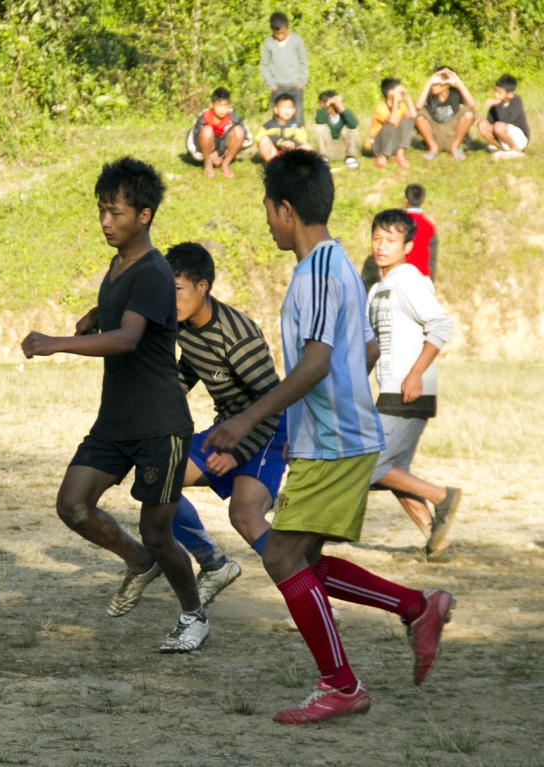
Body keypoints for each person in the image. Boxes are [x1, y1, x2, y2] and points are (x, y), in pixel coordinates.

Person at [205, 150, 454, 725]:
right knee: (303, 560)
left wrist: (248, 420)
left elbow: (317, 362)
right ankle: (417, 607)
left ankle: (341, 684)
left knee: (284, 555)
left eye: (268, 209)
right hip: (333, 437)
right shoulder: (339, 264)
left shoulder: (317, 271)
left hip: (337, 442)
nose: (267, 220)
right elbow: (361, 350)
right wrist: (312, 419)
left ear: (285, 209)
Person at [21, 157, 207, 653]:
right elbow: (118, 307)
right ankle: (137, 562)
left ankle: (193, 614)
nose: (106, 222)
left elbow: (127, 338)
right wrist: (90, 316)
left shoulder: (153, 270)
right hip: (116, 420)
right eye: (102, 211)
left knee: (159, 531)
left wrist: (58, 342)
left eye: (115, 213)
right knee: (73, 506)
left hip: (159, 424)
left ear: (143, 215)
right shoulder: (120, 263)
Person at [165, 242, 288, 606]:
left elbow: (275, 401)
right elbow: (187, 371)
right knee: (159, 476)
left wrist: (238, 453)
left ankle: (310, 596)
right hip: (227, 430)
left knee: (245, 516)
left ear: (202, 287)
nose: (168, 299)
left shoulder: (238, 338)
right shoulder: (184, 325)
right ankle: (214, 564)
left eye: (176, 290)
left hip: (268, 431)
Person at [366, 209, 461, 564]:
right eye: (377, 238)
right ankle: (436, 545)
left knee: (370, 466)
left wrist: (416, 373)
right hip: (388, 389)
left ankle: (442, 496)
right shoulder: (377, 288)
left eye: (390, 240)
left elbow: (441, 326)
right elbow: (370, 346)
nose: (381, 246)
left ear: (407, 245)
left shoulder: (409, 280)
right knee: (394, 474)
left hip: (410, 389)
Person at [415, 66, 476, 161]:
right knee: (418, 114)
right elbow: (418, 106)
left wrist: (458, 82)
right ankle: (433, 148)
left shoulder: (455, 93)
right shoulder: (429, 95)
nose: (433, 87)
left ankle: (454, 147)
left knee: (469, 113)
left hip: (452, 134)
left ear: (446, 85)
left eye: (436, 84)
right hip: (435, 133)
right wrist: (429, 83)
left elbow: (472, 104)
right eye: (433, 84)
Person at [260, 12, 308, 124]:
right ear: (272, 31)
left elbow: (303, 61)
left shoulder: (297, 40)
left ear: (288, 27)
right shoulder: (268, 43)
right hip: (278, 87)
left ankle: (300, 141)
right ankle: (278, 140)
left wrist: (302, 82)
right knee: (278, 119)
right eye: (277, 34)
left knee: (298, 118)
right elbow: (263, 65)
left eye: (283, 33)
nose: (281, 36)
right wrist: (272, 85)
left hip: (295, 86)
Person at [190, 87, 247, 179]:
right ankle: (208, 166)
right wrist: (210, 156)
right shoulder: (204, 117)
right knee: (207, 131)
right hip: (207, 150)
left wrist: (223, 156)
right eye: (219, 106)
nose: (222, 109)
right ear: (211, 105)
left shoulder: (233, 117)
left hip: (224, 149)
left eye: (225, 106)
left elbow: (247, 139)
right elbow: (193, 140)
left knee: (239, 131)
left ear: (230, 105)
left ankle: (225, 165)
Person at [478, 74, 531, 161]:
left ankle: (515, 150)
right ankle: (500, 149)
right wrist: (482, 122)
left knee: (498, 126)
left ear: (509, 94)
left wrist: (498, 103)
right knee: (483, 127)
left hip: (518, 138)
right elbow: (490, 121)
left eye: (499, 92)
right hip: (502, 136)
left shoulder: (516, 100)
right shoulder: (494, 105)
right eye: (495, 91)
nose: (496, 94)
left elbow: (507, 120)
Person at [365, 78, 416, 169]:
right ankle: (382, 157)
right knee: (389, 124)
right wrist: (395, 100)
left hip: (392, 142)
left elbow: (413, 116)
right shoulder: (380, 108)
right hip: (378, 145)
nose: (400, 94)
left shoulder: (401, 106)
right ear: (390, 93)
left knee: (408, 119)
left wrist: (407, 96)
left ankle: (400, 155)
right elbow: (392, 121)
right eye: (398, 92)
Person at [257, 93, 311, 163]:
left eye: (290, 108)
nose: (287, 111)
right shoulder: (269, 125)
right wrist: (279, 142)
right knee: (263, 140)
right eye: (283, 108)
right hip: (275, 153)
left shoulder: (297, 125)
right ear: (276, 110)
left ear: (294, 110)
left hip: (291, 153)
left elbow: (302, 140)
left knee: (307, 147)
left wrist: (292, 144)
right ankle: (273, 165)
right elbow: (258, 138)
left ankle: (294, 166)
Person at [313, 90, 360, 168]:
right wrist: (327, 104)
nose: (321, 108)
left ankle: (350, 157)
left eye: (322, 105)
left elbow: (353, 124)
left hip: (343, 149)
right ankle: (323, 158)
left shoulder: (344, 113)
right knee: (319, 127)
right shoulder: (322, 114)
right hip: (328, 150)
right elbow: (319, 121)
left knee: (352, 128)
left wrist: (340, 106)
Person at [404, 184, 438, 281]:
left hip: (399, 275)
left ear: (405, 200)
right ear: (423, 200)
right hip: (422, 277)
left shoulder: (396, 221)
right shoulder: (430, 224)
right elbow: (433, 255)